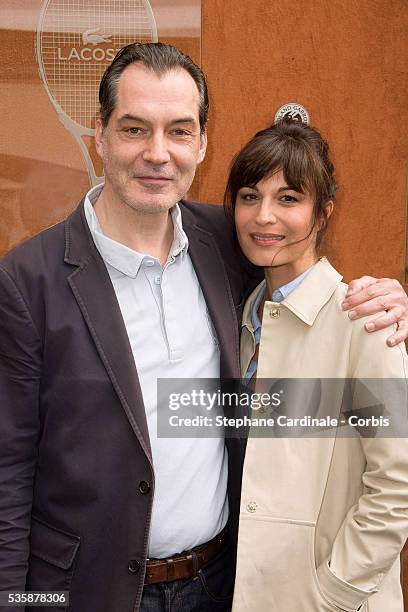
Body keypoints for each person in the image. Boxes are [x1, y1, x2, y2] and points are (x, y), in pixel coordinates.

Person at [0, 43, 406, 612]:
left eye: (180, 131)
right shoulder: (26, 279)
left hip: (221, 583)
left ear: (203, 143)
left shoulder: (230, 240)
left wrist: (392, 300)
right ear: (100, 135)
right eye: (135, 129)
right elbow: (8, 473)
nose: (158, 154)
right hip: (89, 593)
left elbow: (306, 281)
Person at [223, 119, 408, 612]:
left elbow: (397, 484)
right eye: (248, 196)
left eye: (288, 199)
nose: (264, 217)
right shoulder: (242, 317)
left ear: (323, 212)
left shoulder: (364, 319)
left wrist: (335, 590)